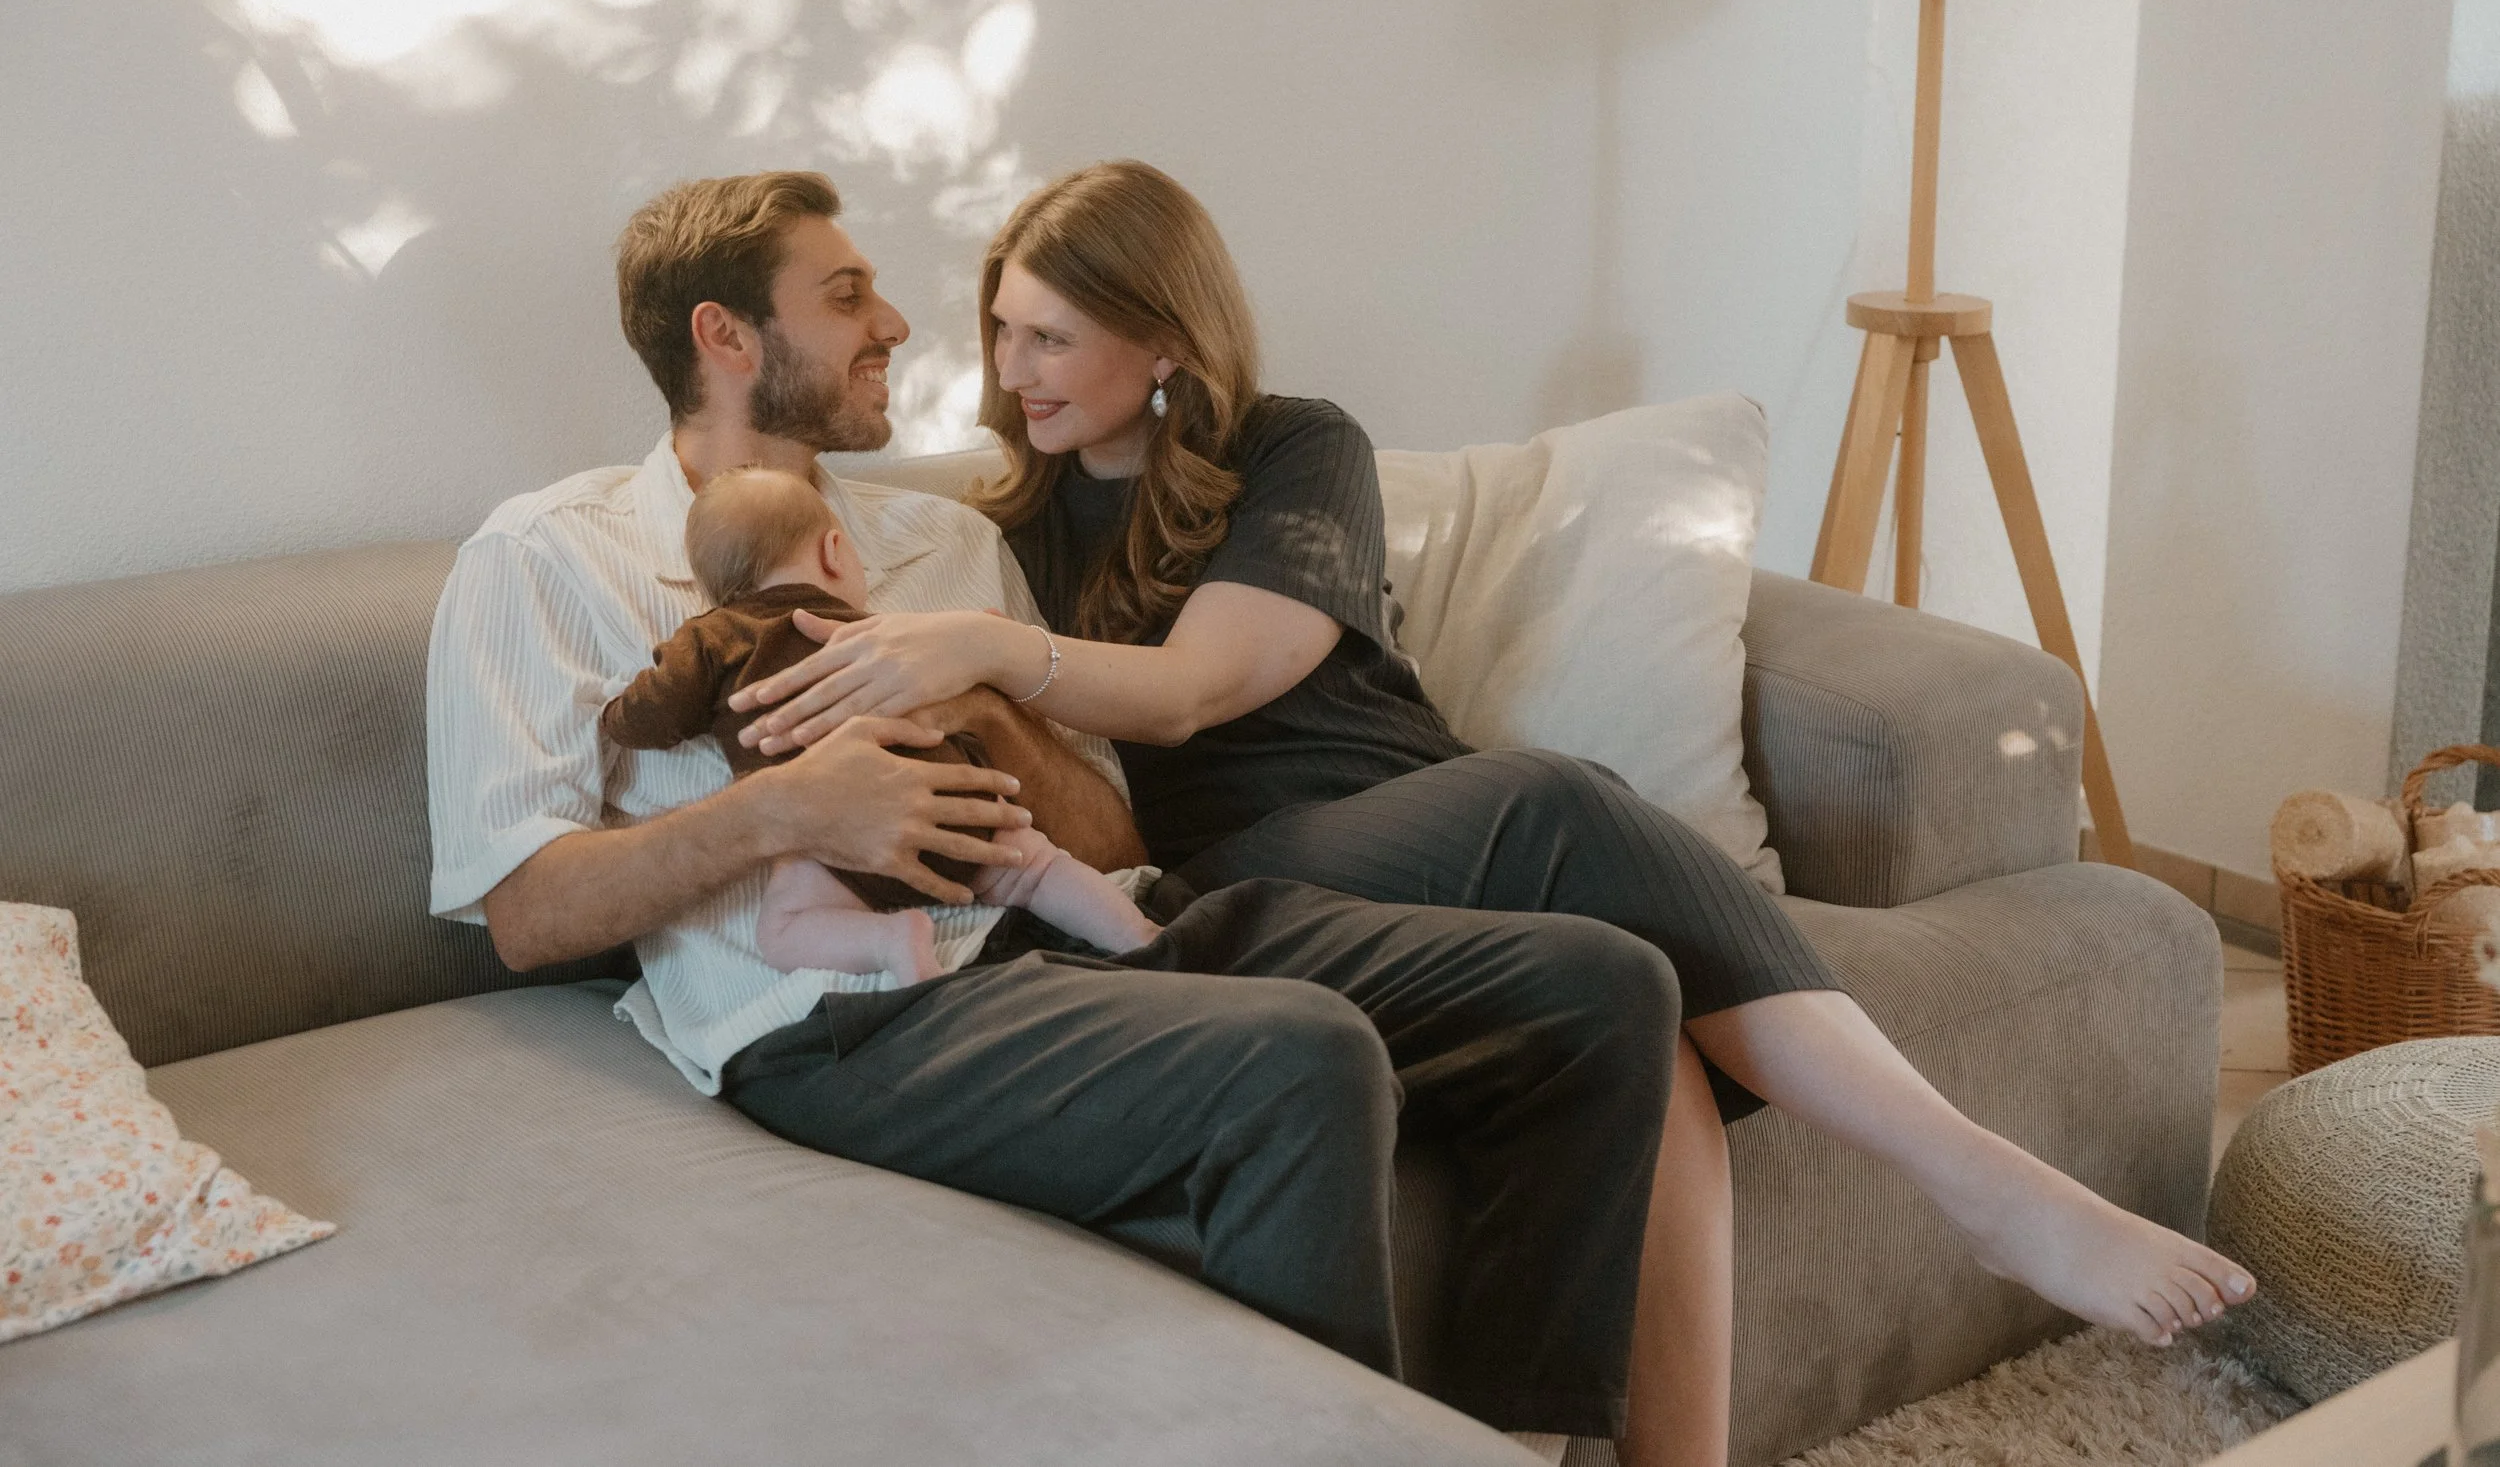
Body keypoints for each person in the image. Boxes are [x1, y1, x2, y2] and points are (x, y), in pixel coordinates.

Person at [729, 159, 2261, 1467]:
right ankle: (1978, 1183)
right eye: (1004, 331)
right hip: (1244, 872)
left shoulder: (1291, 445)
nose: (1016, 372)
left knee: (1633, 1000)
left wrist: (1006, 651)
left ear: (1165, 339)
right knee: (1561, 802)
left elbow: (1212, 678)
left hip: (1401, 805)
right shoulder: (988, 527)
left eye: (1053, 335)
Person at [423, 170, 1701, 1458]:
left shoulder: (945, 548)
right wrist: (784, 812)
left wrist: (982, 698)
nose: (900, 327)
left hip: (1079, 919)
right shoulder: (543, 557)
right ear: (727, 335)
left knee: (1601, 983)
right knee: (1301, 1056)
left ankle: (1516, 1445)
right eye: (848, 293)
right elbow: (526, 914)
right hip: (854, 1012)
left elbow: (1117, 840)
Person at [600, 463, 1162, 985]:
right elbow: (958, 663)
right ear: (834, 552)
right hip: (959, 805)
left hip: (840, 849)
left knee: (784, 929)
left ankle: (890, 939)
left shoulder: (709, 640)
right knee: (1037, 870)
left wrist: (615, 715)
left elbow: (657, 713)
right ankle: (1138, 934)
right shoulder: (885, 632)